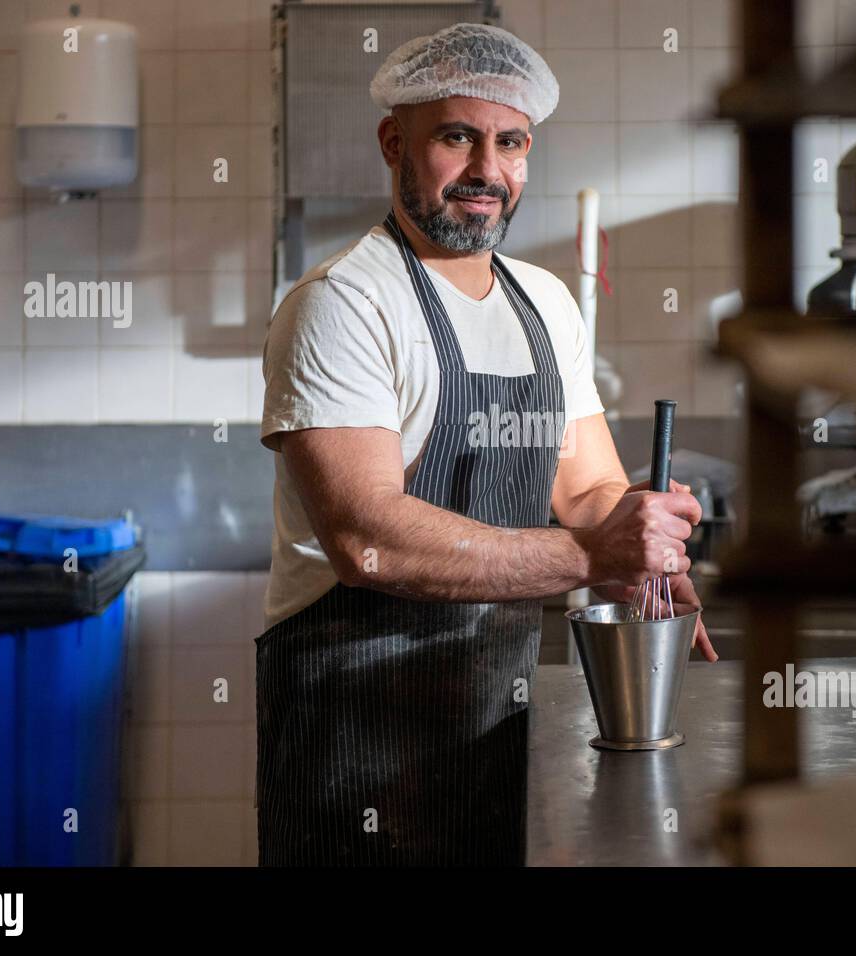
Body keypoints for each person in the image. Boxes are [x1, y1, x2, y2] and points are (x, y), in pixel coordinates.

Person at [256, 22, 715, 867]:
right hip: (355, 730)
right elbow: (369, 541)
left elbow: (586, 495)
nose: (487, 172)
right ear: (395, 142)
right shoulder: (343, 304)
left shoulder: (543, 303)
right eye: (458, 137)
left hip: (491, 724)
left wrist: (647, 535)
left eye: (510, 143)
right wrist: (592, 553)